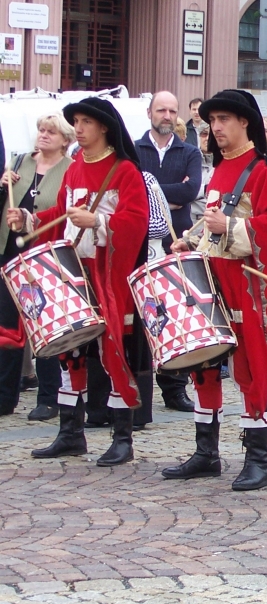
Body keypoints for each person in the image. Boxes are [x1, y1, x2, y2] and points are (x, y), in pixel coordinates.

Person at [7, 98, 150, 466]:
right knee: (70, 352)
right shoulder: (74, 169)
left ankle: (122, 438)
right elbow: (62, 215)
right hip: (73, 274)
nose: (79, 128)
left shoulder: (124, 171)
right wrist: (28, 218)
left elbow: (137, 223)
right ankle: (71, 433)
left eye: (86, 122)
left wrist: (99, 222)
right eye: (77, 122)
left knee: (113, 353)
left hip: (108, 276)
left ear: (104, 127)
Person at [166, 89, 267, 491]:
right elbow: (211, 225)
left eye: (223, 120)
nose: (215, 128)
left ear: (245, 122)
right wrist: (192, 240)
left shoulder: (264, 172)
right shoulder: (220, 170)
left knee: (252, 369)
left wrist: (232, 228)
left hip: (247, 287)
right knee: (204, 363)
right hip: (213, 281)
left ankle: (258, 459)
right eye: (212, 121)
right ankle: (206, 452)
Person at [0, 113, 73, 420]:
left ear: (65, 140)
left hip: (45, 254)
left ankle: (49, 397)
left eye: (51, 132)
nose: (43, 135)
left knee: (44, 323)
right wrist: (1, 185)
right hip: (10, 251)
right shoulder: (18, 163)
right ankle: (5, 396)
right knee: (7, 327)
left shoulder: (70, 169)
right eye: (41, 130)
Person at [134, 90, 203, 414]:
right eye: (161, 110)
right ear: (150, 112)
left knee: (175, 314)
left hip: (177, 242)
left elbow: (191, 190)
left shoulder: (189, 151)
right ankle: (138, 387)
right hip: (141, 243)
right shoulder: (135, 149)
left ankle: (174, 389)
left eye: (172, 111)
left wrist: (151, 189)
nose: (167, 116)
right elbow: (131, 189)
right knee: (144, 313)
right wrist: (165, 196)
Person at [189, 121, 213, 224]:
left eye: (211, 135)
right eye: (204, 134)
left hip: (215, 222)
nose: (207, 138)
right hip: (192, 222)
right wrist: (205, 189)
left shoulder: (225, 162)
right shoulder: (189, 159)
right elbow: (184, 192)